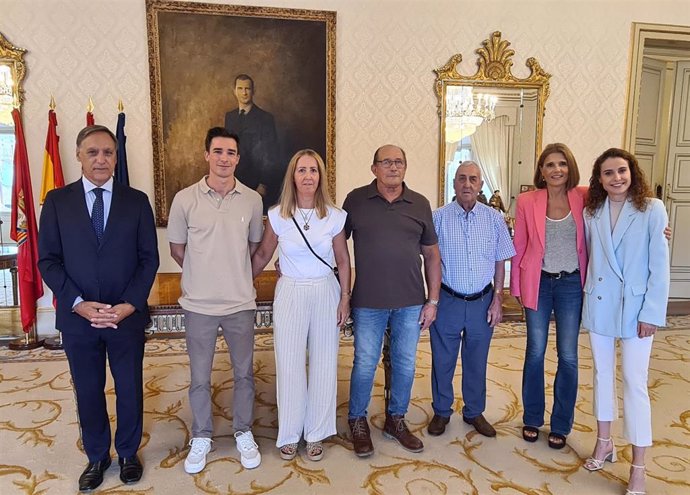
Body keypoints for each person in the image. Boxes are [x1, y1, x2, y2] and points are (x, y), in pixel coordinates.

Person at [38, 125, 159, 492]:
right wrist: (77, 304)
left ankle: (126, 453)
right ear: (79, 155)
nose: (101, 159)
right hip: (79, 320)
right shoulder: (57, 202)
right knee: (88, 389)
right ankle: (96, 456)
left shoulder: (136, 201)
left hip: (126, 317)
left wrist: (128, 304)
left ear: (116, 157)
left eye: (108, 152)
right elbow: (48, 261)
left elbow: (148, 259)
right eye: (93, 152)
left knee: (129, 388)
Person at [167, 127, 263, 473]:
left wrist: (230, 274)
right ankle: (202, 435)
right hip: (199, 306)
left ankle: (243, 431)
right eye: (218, 151)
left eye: (231, 153)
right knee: (199, 377)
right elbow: (178, 250)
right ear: (207, 154)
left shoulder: (252, 200)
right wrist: (204, 272)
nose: (225, 158)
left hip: (240, 303)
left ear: (238, 158)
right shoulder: (184, 199)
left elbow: (253, 248)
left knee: (244, 375)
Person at [251, 149, 351, 461]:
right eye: (301, 170)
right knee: (289, 363)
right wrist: (238, 281)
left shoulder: (334, 216)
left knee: (324, 362)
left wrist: (345, 298)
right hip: (290, 292)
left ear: (320, 177)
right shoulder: (278, 214)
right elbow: (263, 255)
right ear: (292, 177)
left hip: (325, 291)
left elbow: (344, 261)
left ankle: (318, 431)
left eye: (313, 170)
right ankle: (290, 433)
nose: (308, 176)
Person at [581, 148, 669, 495]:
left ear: (632, 172)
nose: (616, 177)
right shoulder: (592, 210)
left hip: (636, 309)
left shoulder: (652, 209)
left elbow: (659, 269)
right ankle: (604, 442)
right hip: (601, 303)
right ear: (599, 179)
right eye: (608, 173)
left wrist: (651, 314)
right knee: (601, 375)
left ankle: (639, 466)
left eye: (621, 170)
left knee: (634, 382)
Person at [344, 144, 441, 457]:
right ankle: (357, 420)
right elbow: (331, 242)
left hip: (410, 302)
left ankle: (395, 420)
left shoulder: (420, 204)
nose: (393, 167)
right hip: (367, 302)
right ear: (374, 168)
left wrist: (433, 300)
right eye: (386, 162)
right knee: (364, 363)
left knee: (405, 364)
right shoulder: (355, 200)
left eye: (399, 161)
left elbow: (432, 255)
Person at [427, 161, 515, 438]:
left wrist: (498, 298)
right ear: (454, 183)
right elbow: (430, 260)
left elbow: (501, 260)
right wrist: (432, 299)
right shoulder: (437, 217)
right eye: (462, 179)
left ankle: (474, 411)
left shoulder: (494, 219)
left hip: (483, 301)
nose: (467, 184)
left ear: (480, 185)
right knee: (443, 360)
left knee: (477, 360)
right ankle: (441, 411)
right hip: (448, 299)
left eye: (473, 179)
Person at [510, 143, 588, 450]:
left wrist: (656, 225)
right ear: (541, 171)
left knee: (568, 355)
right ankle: (532, 417)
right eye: (550, 165)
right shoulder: (528, 200)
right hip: (538, 282)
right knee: (535, 351)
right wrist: (516, 287)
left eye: (562, 164)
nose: (556, 170)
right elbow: (519, 245)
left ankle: (561, 423)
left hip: (571, 283)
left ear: (570, 167)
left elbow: (622, 205)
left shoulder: (584, 196)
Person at [224, 73, 281, 212]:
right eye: (240, 88)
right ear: (234, 91)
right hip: (234, 184)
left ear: (253, 91)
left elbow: (272, 155)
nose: (244, 92)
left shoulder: (265, 118)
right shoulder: (230, 117)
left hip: (256, 184)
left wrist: (263, 184)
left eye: (247, 89)